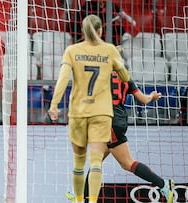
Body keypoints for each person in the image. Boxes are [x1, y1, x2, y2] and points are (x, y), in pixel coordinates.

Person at [65, 46, 175, 203]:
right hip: (119, 119)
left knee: (126, 163)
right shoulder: (125, 77)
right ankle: (82, 196)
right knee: (98, 160)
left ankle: (163, 185)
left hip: (107, 120)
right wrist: (152, 96)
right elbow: (143, 100)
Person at [48, 14, 130, 203]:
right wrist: (114, 63)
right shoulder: (109, 50)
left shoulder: (72, 50)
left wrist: (54, 105)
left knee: (78, 162)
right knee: (95, 162)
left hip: (78, 111)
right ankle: (92, 201)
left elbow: (62, 80)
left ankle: (78, 200)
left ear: (84, 32)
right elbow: (125, 77)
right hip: (102, 112)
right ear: (100, 30)